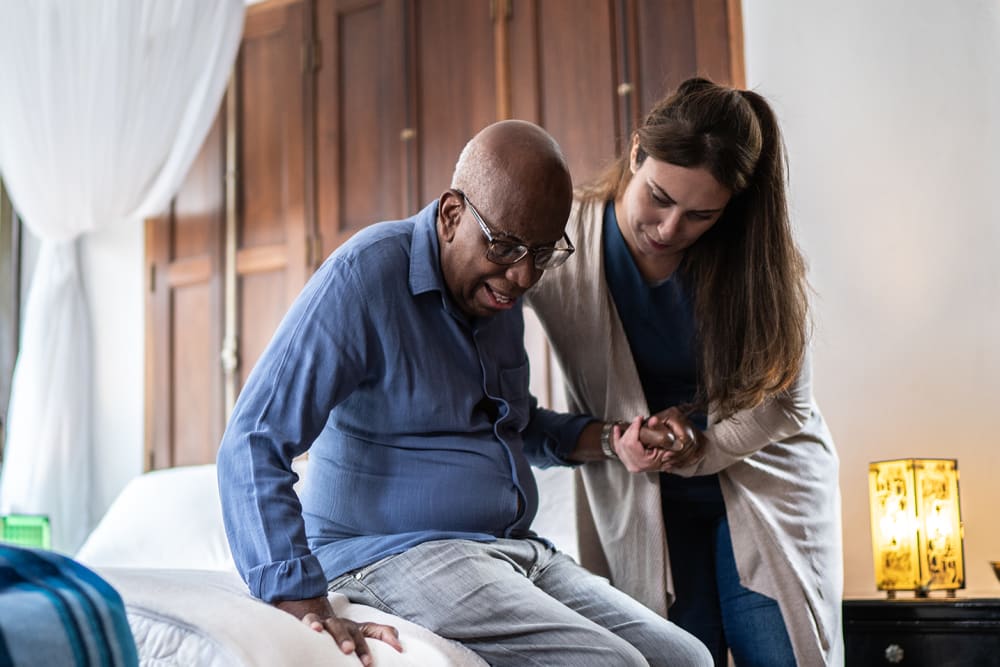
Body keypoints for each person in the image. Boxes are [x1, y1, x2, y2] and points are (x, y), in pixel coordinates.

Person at [216, 119, 712, 667]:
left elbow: (515, 426)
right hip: (390, 553)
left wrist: (613, 440)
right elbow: (253, 438)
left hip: (510, 549)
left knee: (686, 658)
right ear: (452, 215)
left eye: (542, 255)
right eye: (506, 247)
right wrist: (299, 597)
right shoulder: (366, 275)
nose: (523, 277)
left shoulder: (495, 293)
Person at [525, 78, 844, 666]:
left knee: (775, 648)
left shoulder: (756, 258)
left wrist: (699, 448)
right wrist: (608, 441)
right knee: (677, 650)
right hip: (643, 492)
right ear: (637, 151)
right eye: (660, 197)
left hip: (760, 474)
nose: (670, 230)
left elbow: (787, 404)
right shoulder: (560, 242)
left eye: (701, 215)